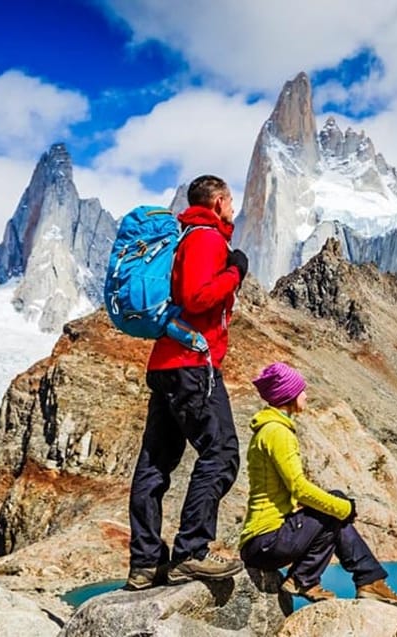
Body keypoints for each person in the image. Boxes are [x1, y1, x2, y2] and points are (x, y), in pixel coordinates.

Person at [126, 175, 251, 590]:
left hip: (166, 363)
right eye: (230, 199)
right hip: (192, 364)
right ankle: (191, 552)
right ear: (217, 201)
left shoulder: (183, 237)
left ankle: (145, 564)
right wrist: (234, 273)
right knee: (222, 452)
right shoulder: (206, 238)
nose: (233, 206)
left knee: (156, 464)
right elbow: (198, 297)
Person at [239, 362, 397, 607]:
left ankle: (362, 578)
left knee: (334, 507)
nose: (306, 395)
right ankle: (321, 579)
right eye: (301, 390)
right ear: (288, 395)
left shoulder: (269, 429)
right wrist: (345, 509)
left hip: (261, 541)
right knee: (335, 508)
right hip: (267, 542)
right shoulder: (277, 432)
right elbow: (299, 488)